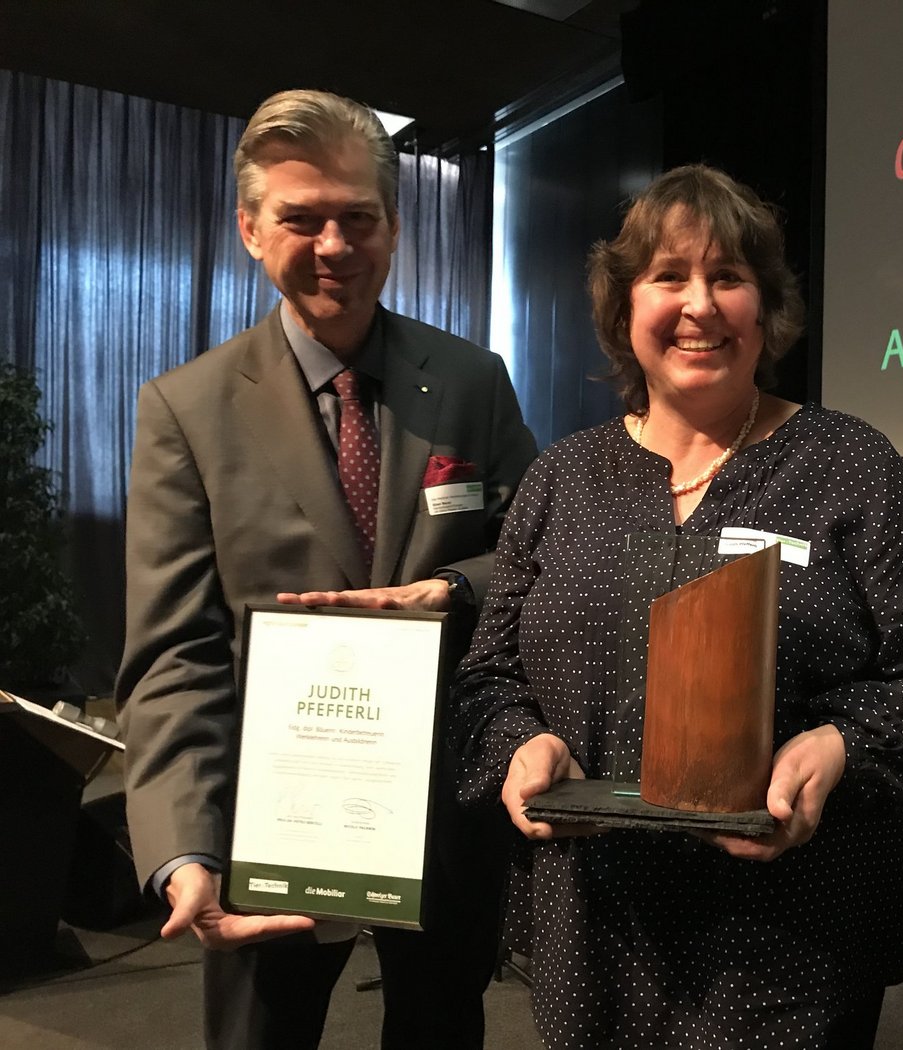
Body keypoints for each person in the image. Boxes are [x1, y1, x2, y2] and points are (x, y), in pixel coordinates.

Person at [448, 163, 903, 1047]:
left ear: (765, 309)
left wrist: (841, 747)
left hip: (794, 943)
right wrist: (517, 746)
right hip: (596, 935)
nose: (699, 305)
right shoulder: (561, 478)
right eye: (669, 276)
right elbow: (489, 678)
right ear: (624, 307)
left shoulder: (851, 465)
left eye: (728, 276)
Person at [115, 89, 537, 1049]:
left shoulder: (471, 382)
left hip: (439, 815)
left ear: (394, 226)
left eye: (359, 217)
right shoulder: (187, 409)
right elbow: (175, 654)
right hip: (272, 828)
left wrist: (452, 587)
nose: (335, 246)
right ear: (250, 229)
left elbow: (531, 555)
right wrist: (184, 849)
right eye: (302, 219)